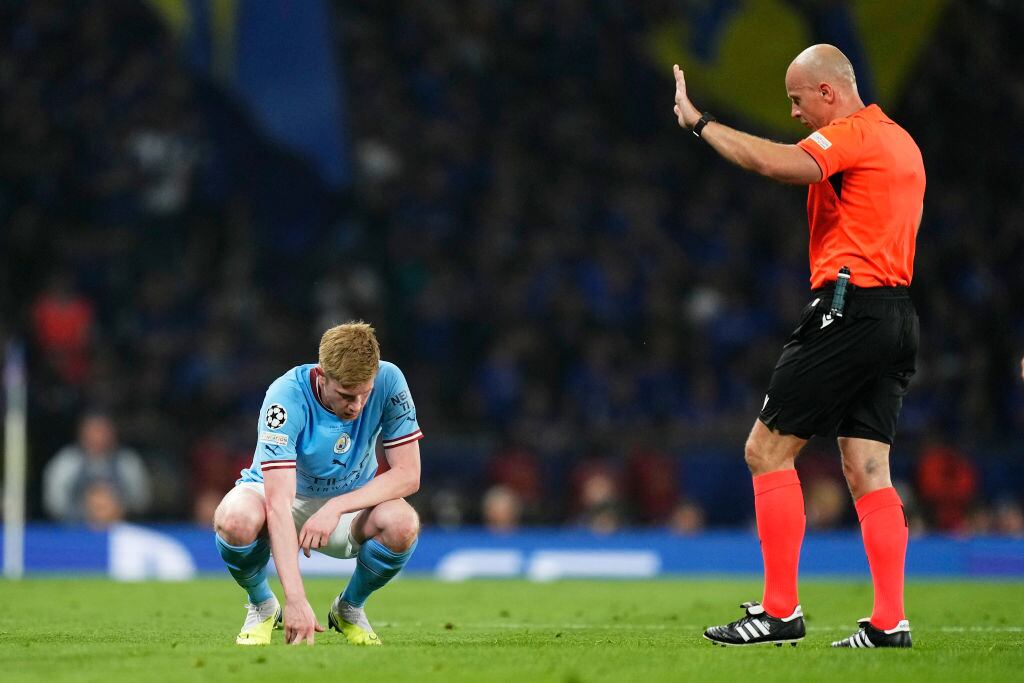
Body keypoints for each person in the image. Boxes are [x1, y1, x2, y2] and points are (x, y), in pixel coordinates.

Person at [673, 44, 924, 648]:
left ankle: (779, 611)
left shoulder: (855, 135)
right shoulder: (902, 142)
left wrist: (700, 122)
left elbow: (778, 164)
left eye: (796, 99)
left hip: (850, 308)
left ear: (829, 93)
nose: (793, 114)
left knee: (766, 450)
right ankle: (890, 621)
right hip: (896, 315)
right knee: (868, 469)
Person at [212, 322, 423, 646]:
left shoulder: (390, 379)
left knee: (403, 524)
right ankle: (263, 605)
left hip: (349, 502)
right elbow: (278, 503)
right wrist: (295, 599)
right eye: (346, 395)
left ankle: (349, 608)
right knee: (234, 519)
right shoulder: (285, 397)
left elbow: (408, 474)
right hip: (280, 498)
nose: (356, 406)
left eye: (364, 394)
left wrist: (336, 506)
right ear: (322, 376)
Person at [43, 411, 152, 523]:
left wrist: (116, 509)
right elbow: (55, 503)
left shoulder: (127, 461)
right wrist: (86, 512)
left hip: (121, 528)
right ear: (82, 433)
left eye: (103, 431)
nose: (98, 437)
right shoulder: (67, 461)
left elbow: (140, 500)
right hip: (75, 530)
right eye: (94, 431)